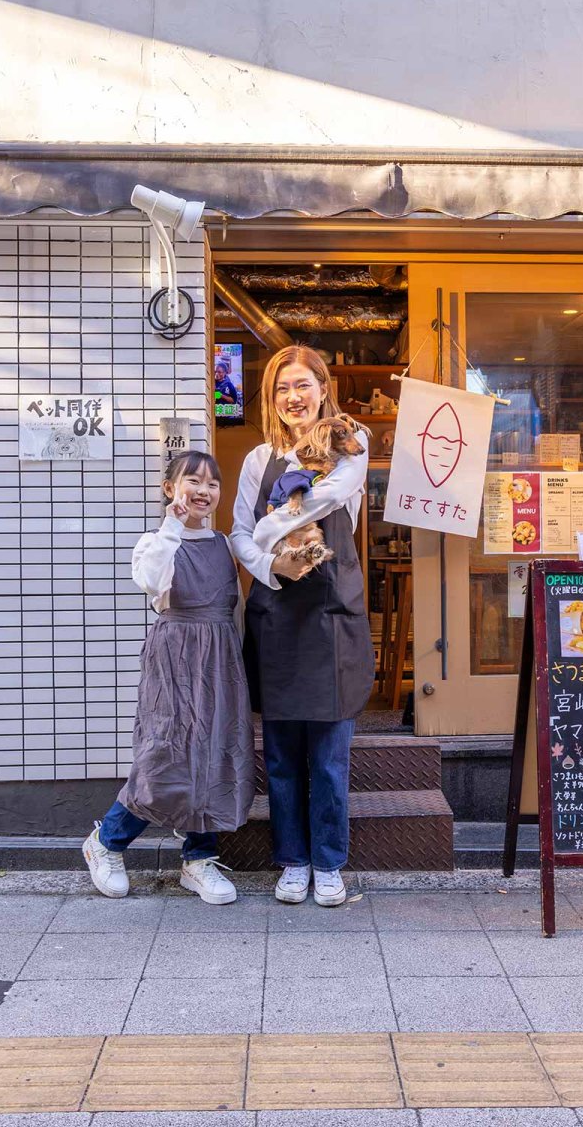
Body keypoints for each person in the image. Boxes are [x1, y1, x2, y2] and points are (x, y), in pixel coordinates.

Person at [231, 345, 374, 907]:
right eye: (281, 388)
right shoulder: (258, 459)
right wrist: (271, 566)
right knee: (283, 757)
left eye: (302, 385)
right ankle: (293, 860)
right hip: (277, 617)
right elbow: (238, 533)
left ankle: (330, 862)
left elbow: (325, 500)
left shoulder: (350, 442)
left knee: (330, 758)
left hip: (332, 616)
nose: (293, 397)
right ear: (272, 398)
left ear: (323, 387)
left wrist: (270, 528)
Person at [83, 451, 256, 905]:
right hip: (174, 659)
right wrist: (171, 526)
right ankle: (107, 842)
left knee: (214, 753)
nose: (204, 490)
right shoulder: (155, 540)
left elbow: (234, 609)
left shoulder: (225, 544)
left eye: (213, 483)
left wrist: (238, 664)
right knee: (164, 753)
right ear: (169, 488)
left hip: (220, 660)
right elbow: (151, 581)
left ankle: (198, 860)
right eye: (193, 480)